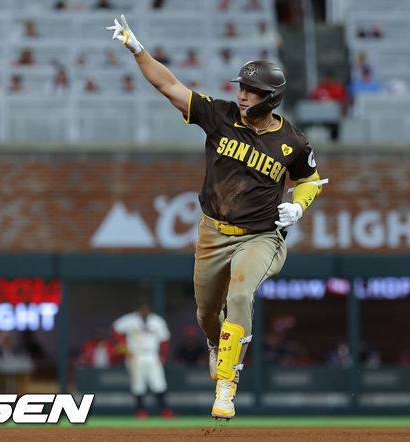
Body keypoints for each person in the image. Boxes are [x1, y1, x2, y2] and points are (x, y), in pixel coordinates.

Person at [106, 14, 324, 420]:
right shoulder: (219, 115)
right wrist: (136, 48)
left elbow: (311, 180)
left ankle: (227, 383)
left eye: (253, 91)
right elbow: (168, 85)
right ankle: (216, 344)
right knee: (207, 313)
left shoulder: (292, 141)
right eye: (241, 87)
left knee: (240, 294)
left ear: (271, 98)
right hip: (212, 234)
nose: (243, 95)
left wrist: (299, 204)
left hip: (260, 237)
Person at [113, 301, 173, 419]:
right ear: (138, 310)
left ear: (150, 310)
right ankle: (141, 411)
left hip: (152, 354)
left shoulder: (157, 321)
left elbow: (165, 339)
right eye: (142, 309)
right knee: (138, 384)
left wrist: (163, 355)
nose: (144, 311)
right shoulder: (130, 319)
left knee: (159, 383)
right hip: (136, 354)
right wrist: (125, 346)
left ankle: (164, 410)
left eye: (146, 309)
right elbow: (115, 330)